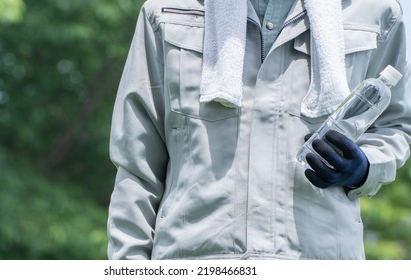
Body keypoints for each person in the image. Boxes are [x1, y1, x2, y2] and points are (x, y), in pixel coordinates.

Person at [107, 0, 411, 260]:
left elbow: (395, 126)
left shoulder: (376, 11)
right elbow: (137, 167)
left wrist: (366, 167)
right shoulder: (167, 10)